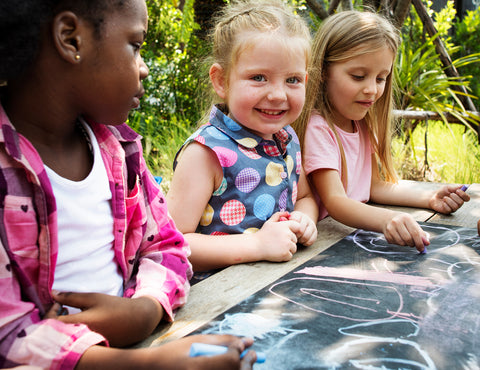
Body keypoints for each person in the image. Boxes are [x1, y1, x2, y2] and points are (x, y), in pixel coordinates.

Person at [0, 0, 256, 368]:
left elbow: (167, 245)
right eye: (135, 45)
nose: (145, 68)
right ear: (71, 39)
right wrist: (149, 364)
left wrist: (145, 309)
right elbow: (8, 335)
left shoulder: (119, 150)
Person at [293, 10, 470, 253]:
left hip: (345, 240)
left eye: (381, 78)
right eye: (358, 76)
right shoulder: (319, 128)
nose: (372, 90)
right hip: (318, 247)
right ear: (323, 71)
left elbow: (373, 186)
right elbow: (336, 202)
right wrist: (387, 219)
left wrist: (429, 197)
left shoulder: (362, 124)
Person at [167, 0, 318, 278]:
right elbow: (172, 244)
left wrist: (304, 219)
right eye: (259, 77)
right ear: (222, 81)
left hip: (274, 286)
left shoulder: (287, 138)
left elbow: (306, 196)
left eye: (293, 80)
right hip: (216, 300)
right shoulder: (206, 152)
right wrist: (257, 244)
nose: (277, 94)